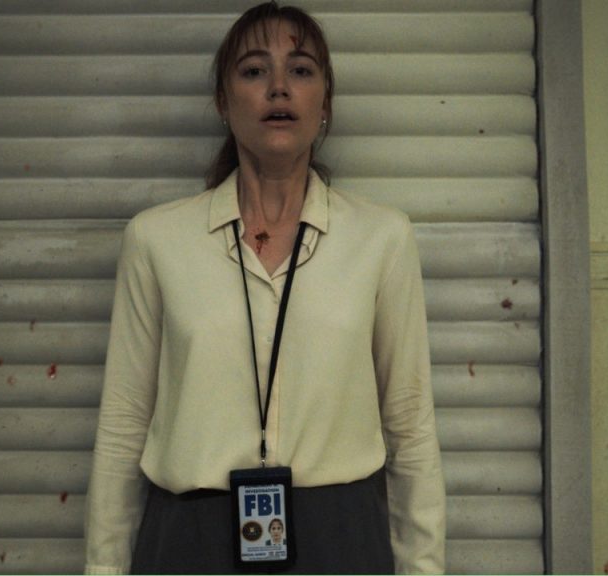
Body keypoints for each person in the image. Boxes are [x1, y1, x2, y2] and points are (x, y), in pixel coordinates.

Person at [84, 2, 445, 574]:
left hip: (341, 539)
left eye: (300, 70)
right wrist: (105, 568)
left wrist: (423, 567)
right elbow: (124, 423)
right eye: (254, 71)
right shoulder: (157, 240)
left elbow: (410, 423)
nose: (279, 87)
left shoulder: (381, 237)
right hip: (189, 542)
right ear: (223, 101)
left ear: (325, 102)